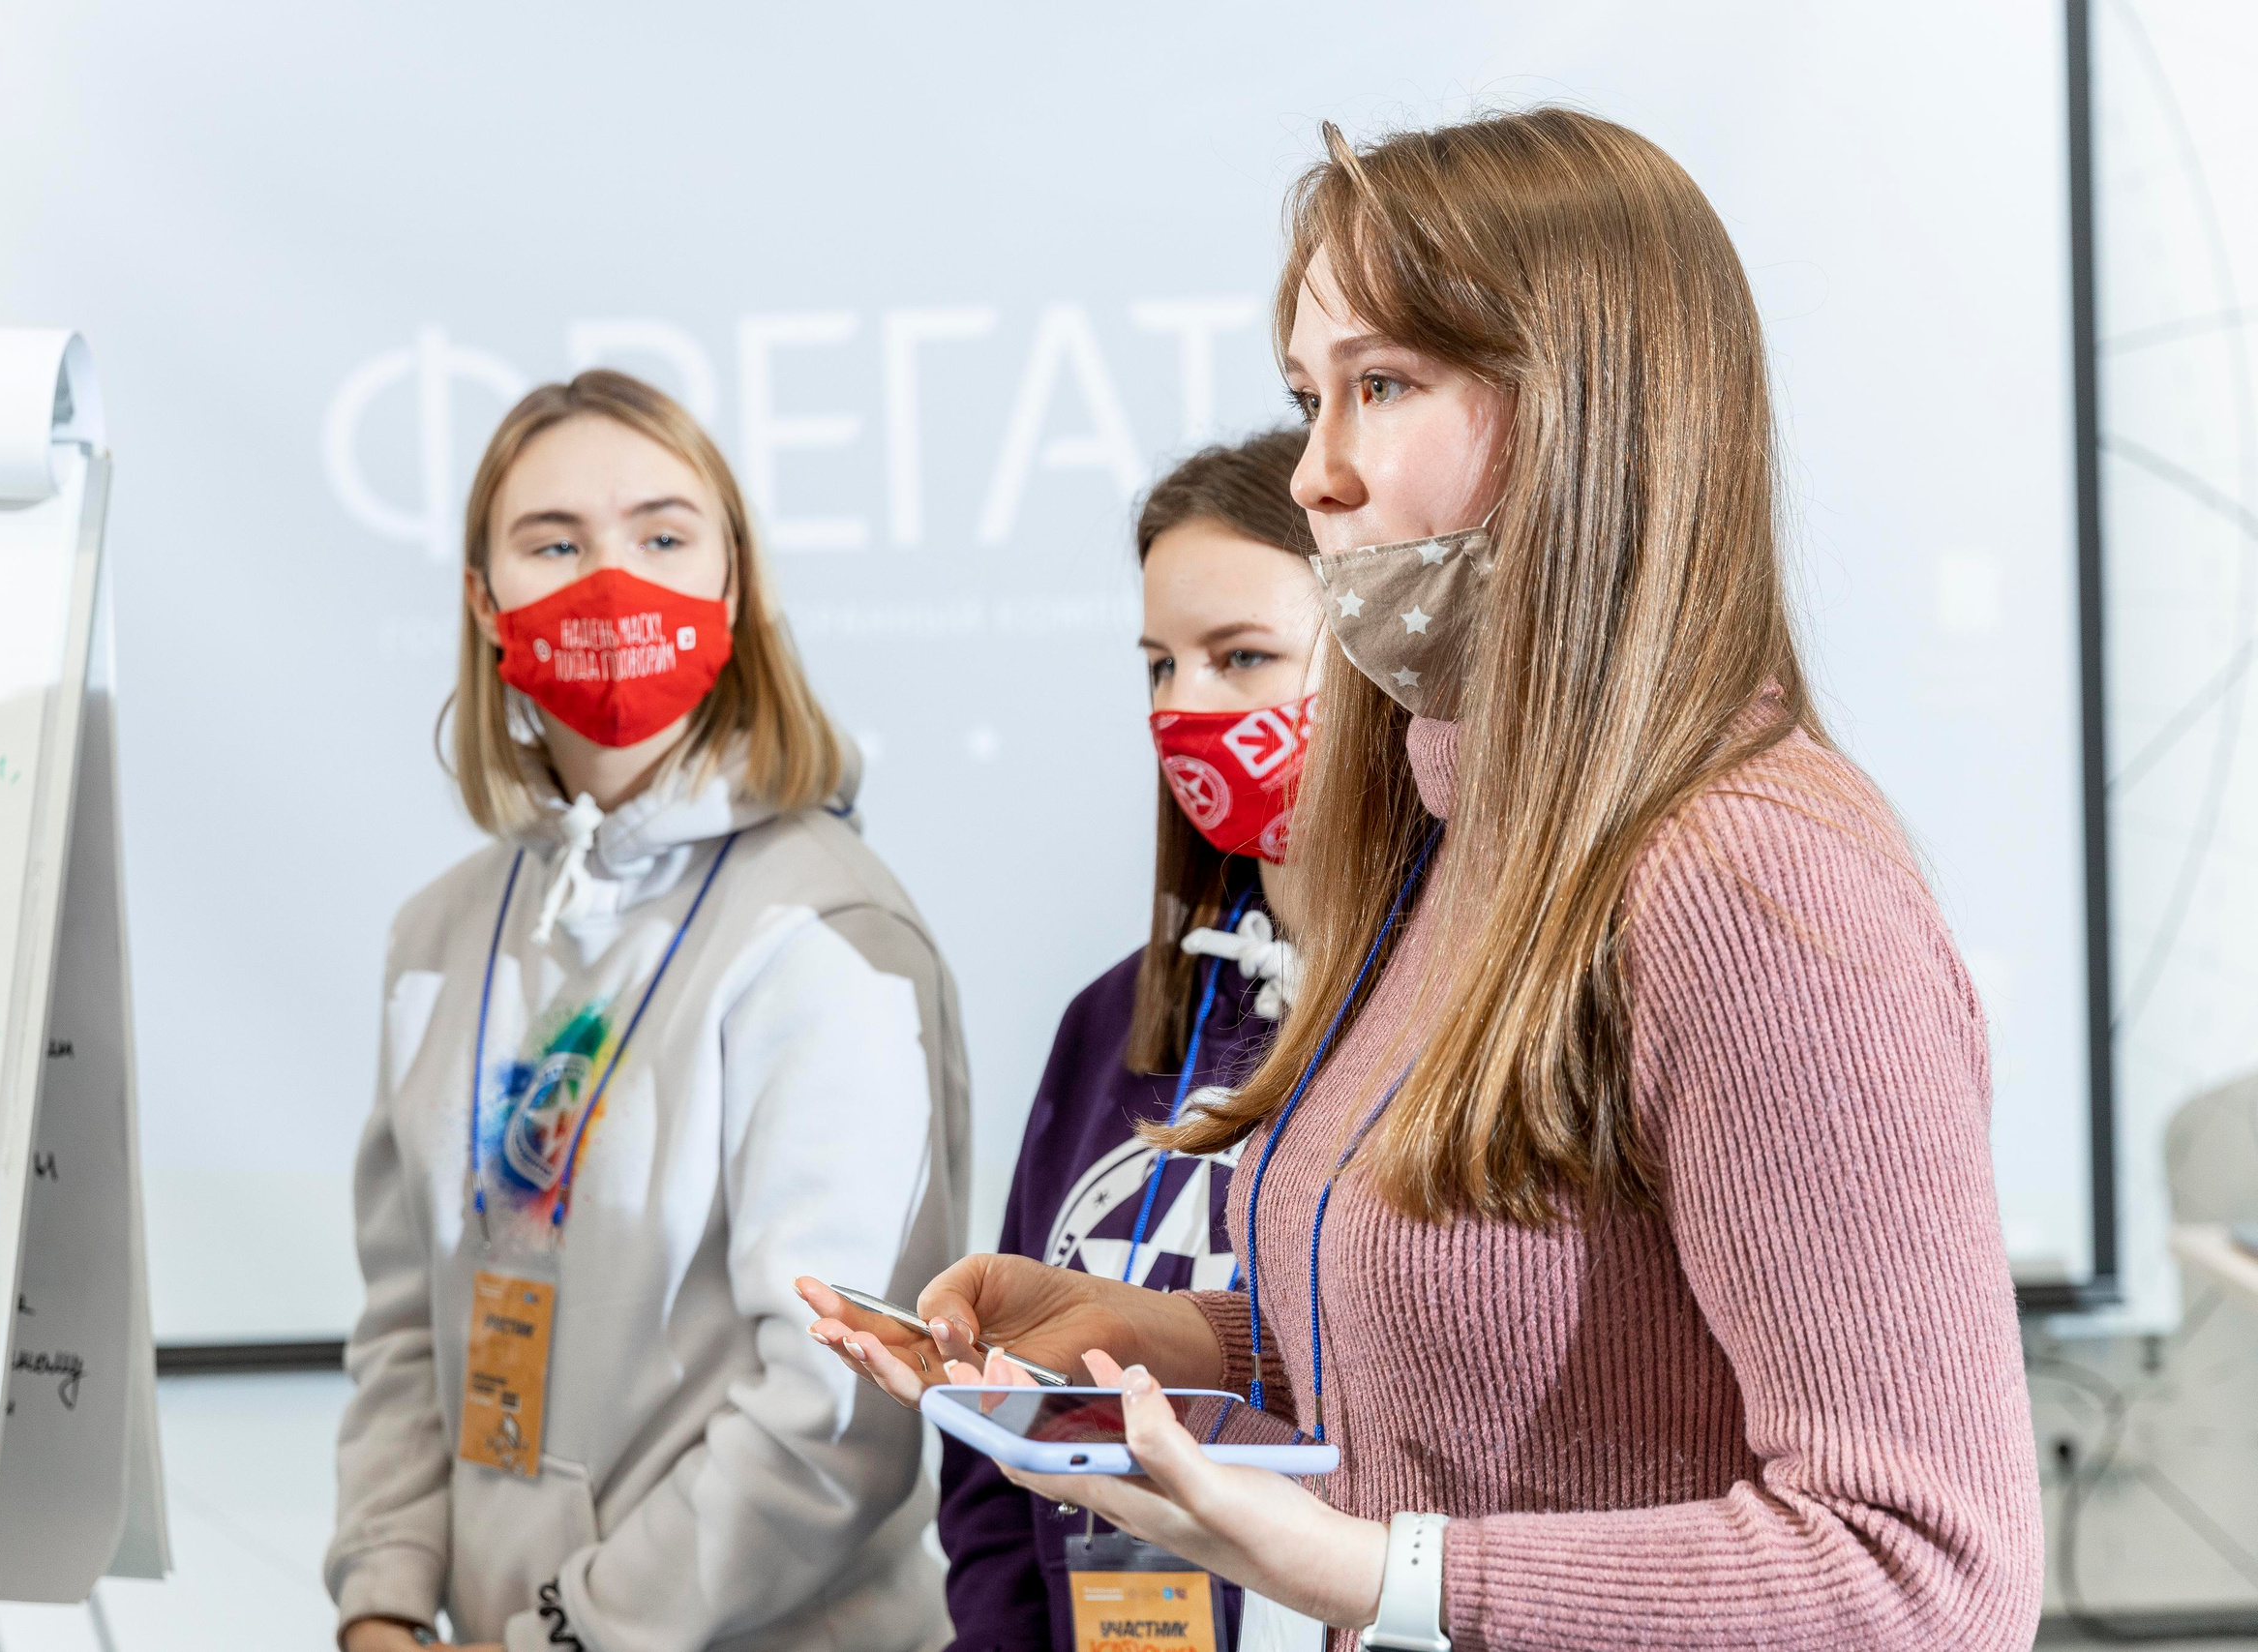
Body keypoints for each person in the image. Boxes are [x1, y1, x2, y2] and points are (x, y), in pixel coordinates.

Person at [805, 109, 2043, 1652]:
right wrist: (1181, 1342)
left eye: (1381, 386)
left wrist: (1378, 1574)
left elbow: (1925, 1569)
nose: (1317, 475)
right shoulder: (1455, 847)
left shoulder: (1744, 877)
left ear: (1588, 419)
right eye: (1307, 396)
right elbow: (1526, 1364)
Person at [327, 371, 969, 1652]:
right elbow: (409, 1329)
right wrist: (384, 1602)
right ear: (482, 598)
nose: (609, 578)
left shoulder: (827, 931)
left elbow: (838, 1408)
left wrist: (570, 1634)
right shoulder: (440, 933)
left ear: (731, 591)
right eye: (553, 541)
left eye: (663, 535)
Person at [928, 431, 1320, 1652]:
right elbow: (996, 1447)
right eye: (1158, 664)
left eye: (1240, 657)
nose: (1182, 709)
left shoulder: (1450, 1017)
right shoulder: (1113, 1020)